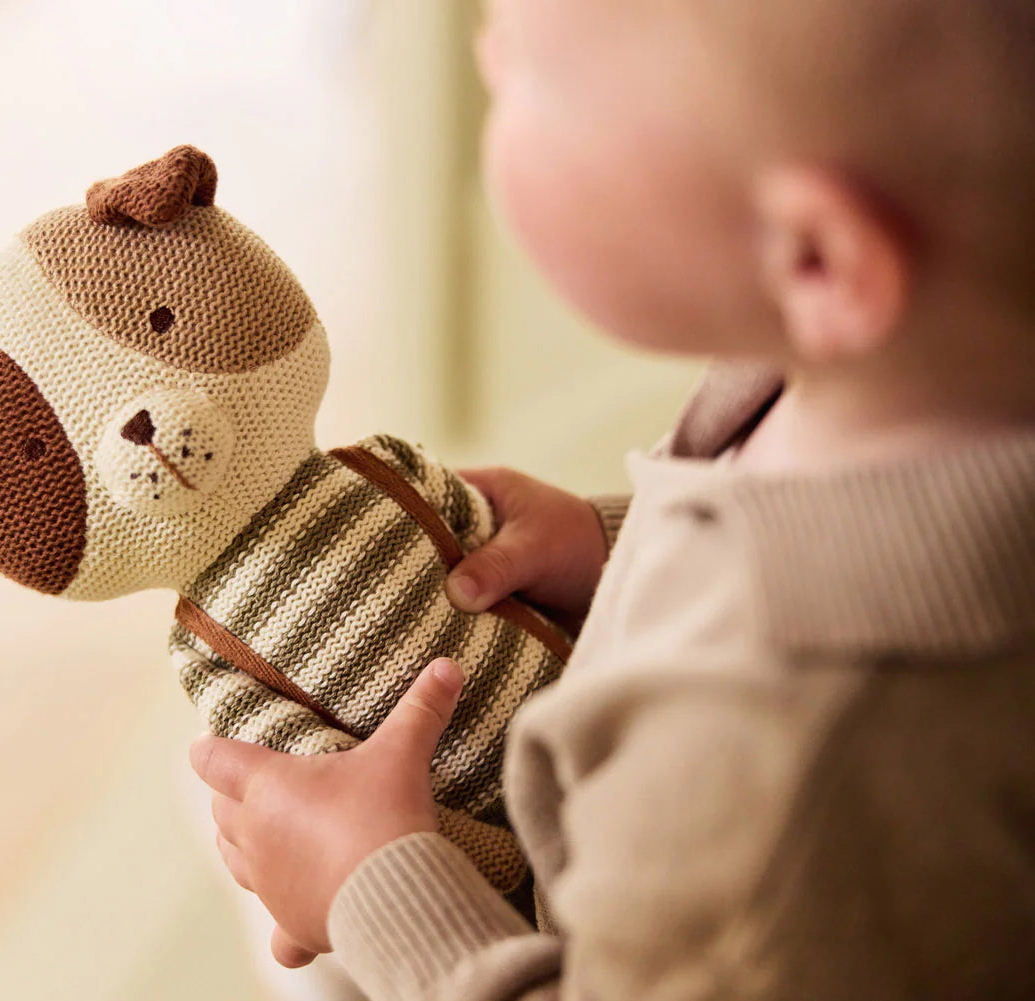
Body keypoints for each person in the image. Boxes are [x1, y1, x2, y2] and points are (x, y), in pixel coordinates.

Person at [191, 0, 1035, 997]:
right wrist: (616, 544)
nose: (484, 52)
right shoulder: (908, 387)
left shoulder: (763, 772)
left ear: (816, 261)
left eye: (530, 67)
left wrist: (370, 882)